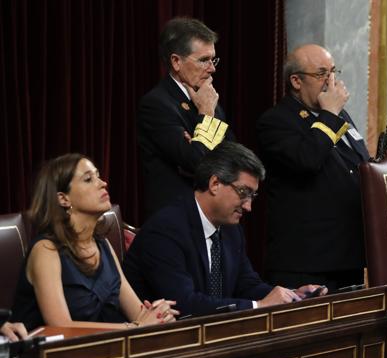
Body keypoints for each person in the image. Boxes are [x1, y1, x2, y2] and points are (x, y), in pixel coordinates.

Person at [123, 142, 325, 316]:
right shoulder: (166, 229)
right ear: (215, 183)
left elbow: (245, 284)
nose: (248, 206)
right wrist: (258, 306)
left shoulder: (230, 229)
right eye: (243, 193)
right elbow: (184, 304)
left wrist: (291, 295)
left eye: (252, 196)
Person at [10, 154, 177, 331]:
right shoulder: (45, 250)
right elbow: (60, 326)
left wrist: (159, 315)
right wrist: (132, 327)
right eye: (88, 179)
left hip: (107, 352)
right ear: (63, 199)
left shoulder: (103, 245)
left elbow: (138, 314)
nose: (103, 183)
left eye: (98, 176)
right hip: (53, 356)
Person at [255, 44, 371, 290]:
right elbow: (308, 159)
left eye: (333, 72)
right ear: (296, 81)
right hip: (306, 263)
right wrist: (329, 114)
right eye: (321, 75)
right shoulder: (276, 121)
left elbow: (360, 164)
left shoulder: (341, 116)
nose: (331, 82)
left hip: (348, 256)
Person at [138, 17, 233, 216]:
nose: (212, 68)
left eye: (213, 59)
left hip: (214, 213)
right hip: (177, 217)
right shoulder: (157, 104)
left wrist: (198, 142)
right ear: (176, 61)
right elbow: (197, 163)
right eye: (203, 60)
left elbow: (231, 155)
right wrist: (206, 114)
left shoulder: (209, 98)